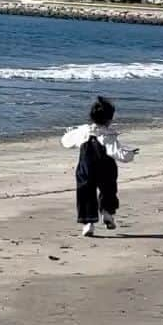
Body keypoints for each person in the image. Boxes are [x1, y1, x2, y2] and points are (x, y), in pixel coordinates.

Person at [60, 95, 137, 237]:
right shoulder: (109, 135)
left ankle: (88, 223)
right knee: (108, 190)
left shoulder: (83, 131)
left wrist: (68, 134)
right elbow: (116, 152)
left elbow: (67, 142)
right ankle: (107, 213)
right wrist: (130, 154)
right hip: (106, 168)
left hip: (86, 168)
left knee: (85, 193)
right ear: (109, 119)